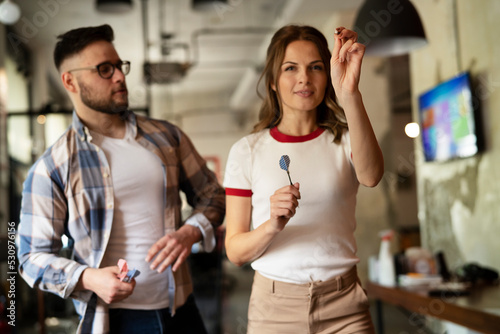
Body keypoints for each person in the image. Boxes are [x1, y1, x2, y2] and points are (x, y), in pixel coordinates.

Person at [17, 24, 225, 334]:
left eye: (119, 65)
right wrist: (88, 278)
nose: (119, 76)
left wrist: (191, 232)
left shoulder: (167, 137)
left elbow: (213, 194)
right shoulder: (53, 166)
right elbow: (29, 257)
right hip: (115, 321)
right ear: (70, 81)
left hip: (181, 310)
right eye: (104, 69)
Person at [223, 25, 384, 333]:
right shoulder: (247, 151)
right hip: (273, 309)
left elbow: (372, 176)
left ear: (328, 76)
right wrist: (272, 224)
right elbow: (236, 251)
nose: (304, 79)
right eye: (290, 68)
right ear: (272, 81)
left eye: (316, 67)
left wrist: (349, 93)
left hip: (345, 306)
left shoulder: (346, 141)